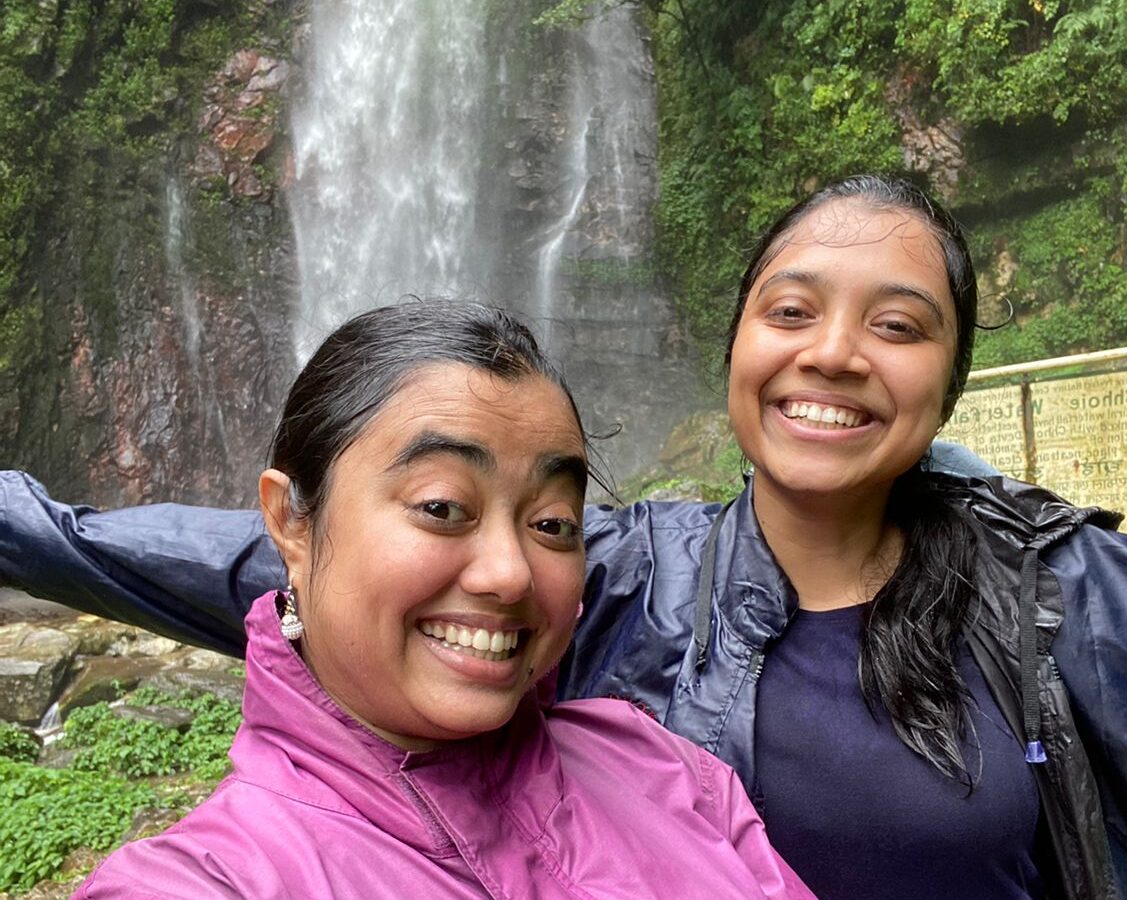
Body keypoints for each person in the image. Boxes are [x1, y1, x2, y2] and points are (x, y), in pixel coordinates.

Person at [2, 176, 1127, 899]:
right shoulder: (621, 577)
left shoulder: (1056, 584)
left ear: (951, 387)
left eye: (897, 325)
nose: (833, 351)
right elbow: (229, 562)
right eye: (791, 310)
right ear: (737, 346)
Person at [63, 303, 812, 898]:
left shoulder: (661, 766)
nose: (509, 573)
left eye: (552, 523)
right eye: (442, 506)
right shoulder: (213, 879)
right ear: (291, 520)